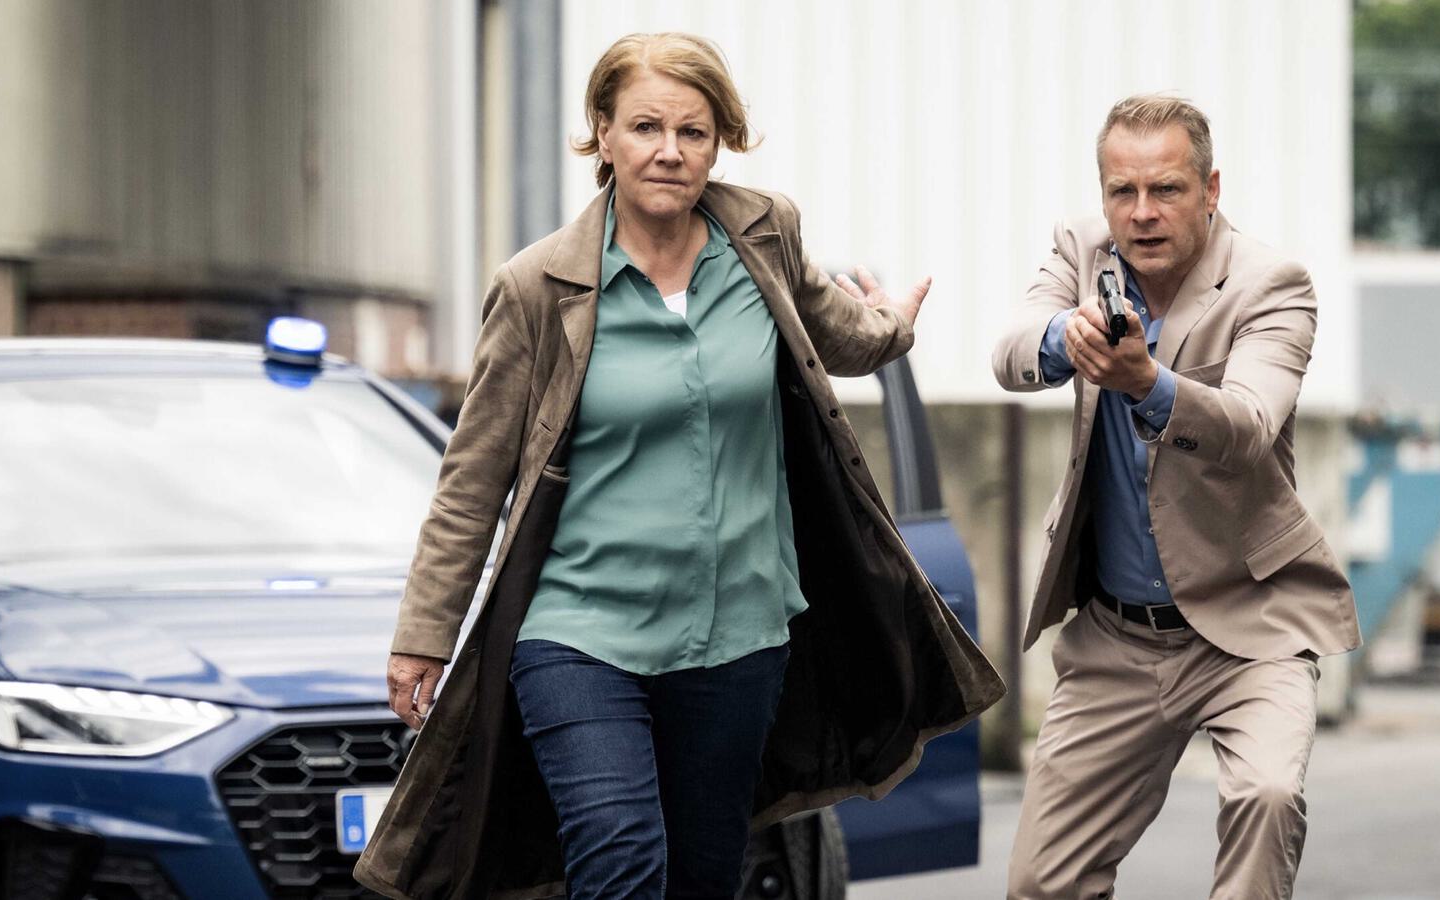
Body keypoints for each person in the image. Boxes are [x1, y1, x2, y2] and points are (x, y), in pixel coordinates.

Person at [353, 32, 1004, 900]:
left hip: (736, 634)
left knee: (703, 875)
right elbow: (471, 483)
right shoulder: (539, 288)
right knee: (620, 858)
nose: (670, 151)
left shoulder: (764, 236)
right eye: (646, 127)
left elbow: (836, 336)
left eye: (693, 131)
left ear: (719, 141)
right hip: (582, 630)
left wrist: (893, 327)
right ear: (603, 132)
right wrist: (423, 636)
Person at [993, 94, 1361, 900]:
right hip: (1117, 635)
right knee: (1041, 883)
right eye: (1122, 192)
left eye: (1165, 189)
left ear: (1210, 189)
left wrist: (1149, 384)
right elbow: (1011, 352)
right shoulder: (1082, 251)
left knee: (1267, 795)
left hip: (1249, 623)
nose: (1142, 212)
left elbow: (1249, 427)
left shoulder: (1271, 285)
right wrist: (1065, 338)